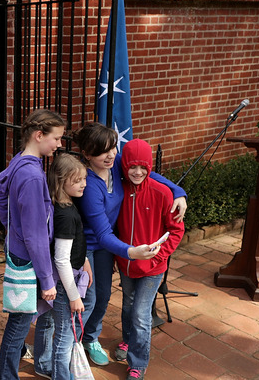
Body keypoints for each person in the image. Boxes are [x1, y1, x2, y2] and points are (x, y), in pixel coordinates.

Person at [73, 123, 187, 367]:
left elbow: (144, 170)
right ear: (88, 155)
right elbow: (102, 234)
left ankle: (90, 336)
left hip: (110, 246)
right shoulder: (91, 184)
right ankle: (74, 343)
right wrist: (131, 252)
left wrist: (178, 191)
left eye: (113, 148)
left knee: (104, 296)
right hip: (91, 246)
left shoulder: (115, 163)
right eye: (103, 151)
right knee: (90, 298)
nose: (111, 154)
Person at [0, 109, 65, 380]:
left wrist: (13, 231)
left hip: (18, 252)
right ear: (39, 135)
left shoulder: (20, 161)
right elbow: (36, 236)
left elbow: (0, 194)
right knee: (19, 323)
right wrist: (47, 281)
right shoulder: (34, 177)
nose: (58, 145)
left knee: (19, 319)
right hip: (29, 260)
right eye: (56, 138)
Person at [115, 139, 185, 379]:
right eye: (132, 167)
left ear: (150, 166)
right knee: (127, 305)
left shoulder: (162, 192)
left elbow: (176, 230)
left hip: (154, 267)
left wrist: (159, 258)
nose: (137, 172)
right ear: (124, 165)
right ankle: (127, 340)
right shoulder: (118, 189)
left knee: (140, 313)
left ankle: (138, 363)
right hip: (126, 263)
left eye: (143, 167)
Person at [33, 153, 93, 380]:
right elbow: (61, 258)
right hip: (63, 283)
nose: (84, 184)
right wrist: (74, 295)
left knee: (47, 320)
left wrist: (85, 259)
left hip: (55, 279)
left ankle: (41, 363)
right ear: (61, 181)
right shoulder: (66, 215)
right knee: (65, 336)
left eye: (84, 179)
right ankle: (60, 376)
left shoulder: (60, 204)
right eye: (77, 180)